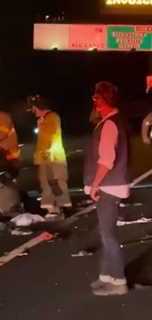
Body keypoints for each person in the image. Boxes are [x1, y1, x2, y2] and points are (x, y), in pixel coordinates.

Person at [84, 81, 129, 296]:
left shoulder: (110, 124)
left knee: (108, 235)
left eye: (98, 99)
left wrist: (94, 185)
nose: (96, 103)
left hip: (110, 186)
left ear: (106, 100)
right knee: (104, 233)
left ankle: (118, 281)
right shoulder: (110, 121)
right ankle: (106, 275)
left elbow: (106, 160)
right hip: (111, 185)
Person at [29, 95, 71, 219]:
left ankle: (57, 210)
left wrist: (45, 156)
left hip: (52, 158)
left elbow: (48, 137)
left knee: (56, 183)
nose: (33, 111)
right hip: (46, 158)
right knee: (47, 184)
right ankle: (54, 209)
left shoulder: (51, 117)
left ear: (39, 107)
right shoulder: (45, 119)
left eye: (33, 108)